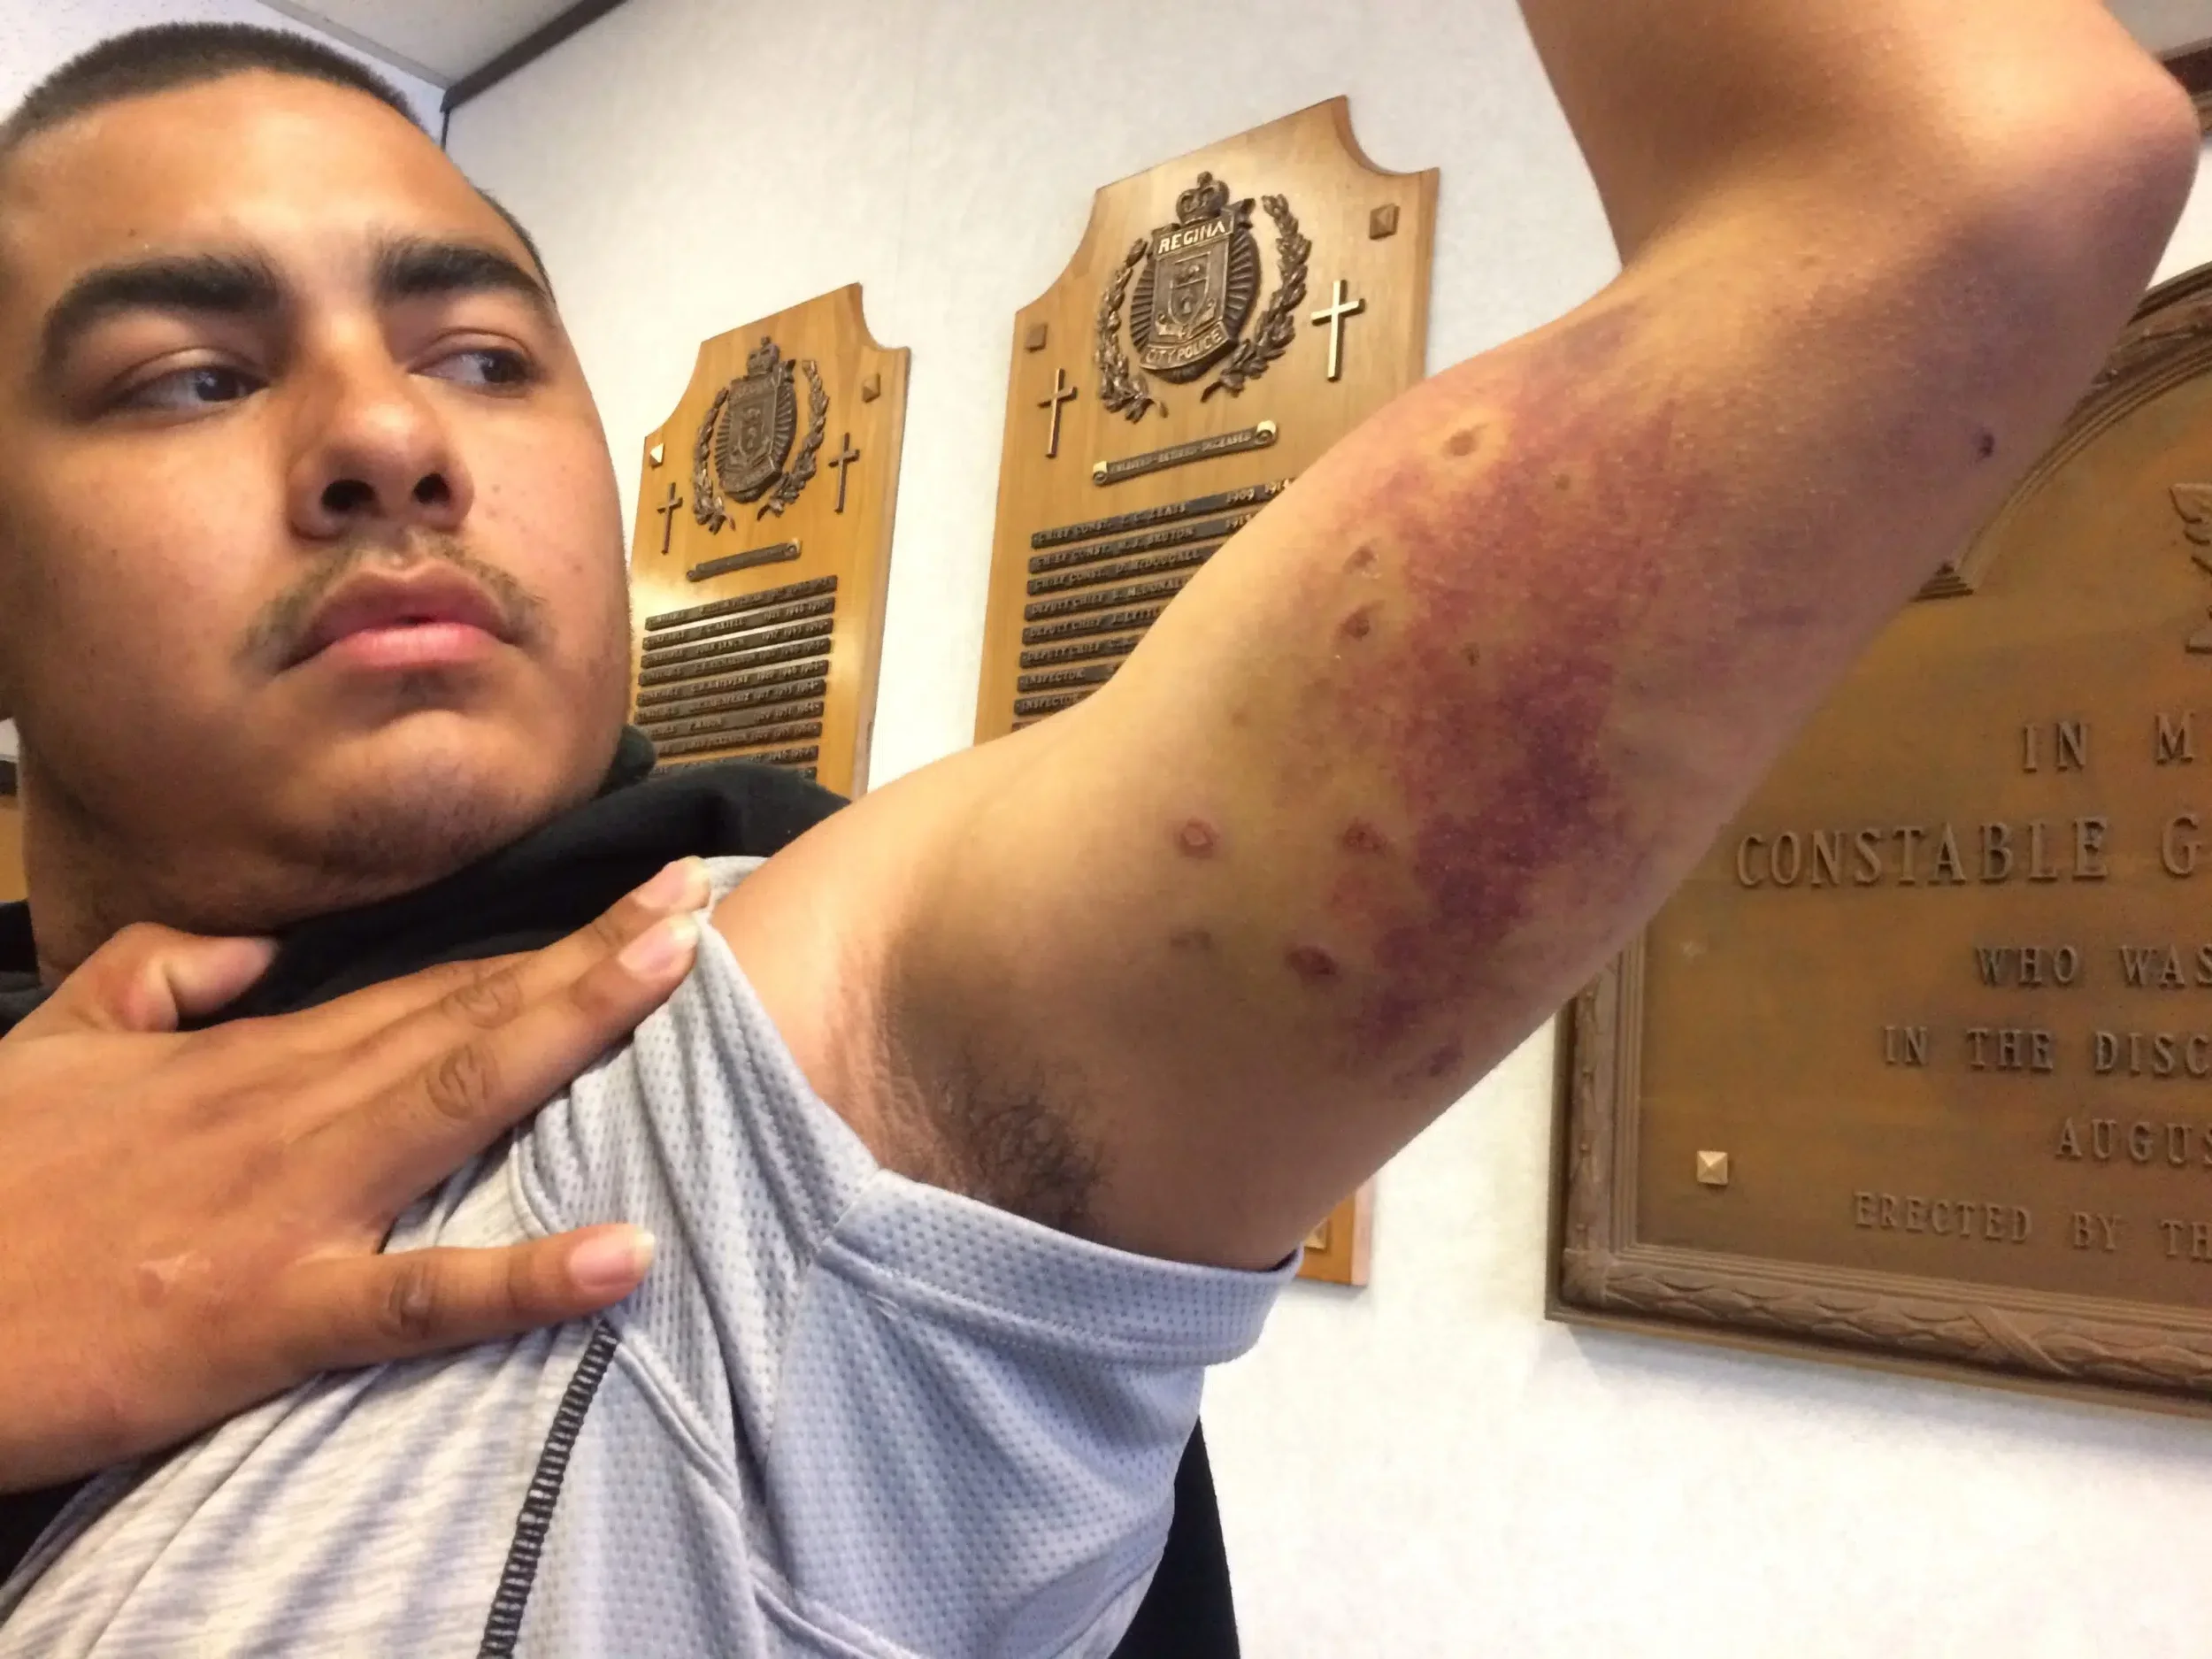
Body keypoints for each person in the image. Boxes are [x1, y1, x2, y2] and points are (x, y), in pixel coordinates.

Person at [0, 1, 2193, 1652]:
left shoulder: (797, 1054)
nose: (386, 435)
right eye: (191, 374)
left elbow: (1955, 180)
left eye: (484, 355)